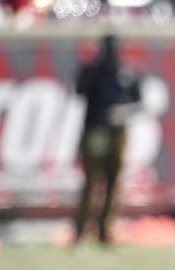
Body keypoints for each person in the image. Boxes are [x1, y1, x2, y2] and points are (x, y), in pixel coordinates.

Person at [73, 34, 142, 245]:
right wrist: (94, 72)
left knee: (113, 182)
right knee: (91, 181)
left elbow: (138, 103)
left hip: (117, 132)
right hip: (95, 131)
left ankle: (105, 229)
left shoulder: (126, 73)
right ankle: (82, 229)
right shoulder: (92, 71)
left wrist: (123, 112)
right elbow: (80, 91)